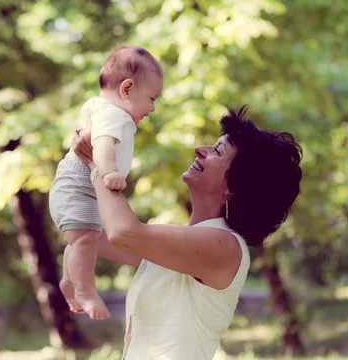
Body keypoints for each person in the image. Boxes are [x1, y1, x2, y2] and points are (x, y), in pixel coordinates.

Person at [73, 106, 303, 359]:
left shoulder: (224, 246)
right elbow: (85, 235)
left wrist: (99, 164)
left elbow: (122, 233)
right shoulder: (183, 242)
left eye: (217, 151)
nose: (200, 150)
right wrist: (89, 151)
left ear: (233, 185)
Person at [49, 45, 164, 320]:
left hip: (77, 189)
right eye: (151, 98)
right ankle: (86, 293)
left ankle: (70, 281)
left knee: (81, 241)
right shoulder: (113, 114)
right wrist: (109, 171)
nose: (152, 107)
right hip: (77, 187)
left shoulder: (102, 109)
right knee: (85, 242)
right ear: (127, 88)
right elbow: (100, 145)